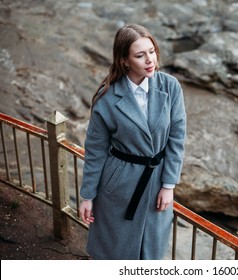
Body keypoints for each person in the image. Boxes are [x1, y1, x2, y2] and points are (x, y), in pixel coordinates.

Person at [78, 23, 186, 260]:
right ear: (125, 60)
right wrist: (87, 196)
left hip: (157, 181)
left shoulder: (170, 86)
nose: (150, 60)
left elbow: (177, 139)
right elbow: (95, 151)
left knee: (151, 253)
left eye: (152, 51)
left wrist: (169, 185)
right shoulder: (106, 98)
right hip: (119, 185)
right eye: (140, 55)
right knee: (115, 252)